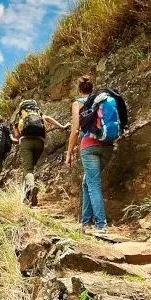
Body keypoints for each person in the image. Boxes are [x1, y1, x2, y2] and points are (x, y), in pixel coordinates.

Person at [66, 76, 114, 231]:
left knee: (93, 184)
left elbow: (75, 130)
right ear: (91, 89)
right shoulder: (101, 101)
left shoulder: (77, 103)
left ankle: (101, 225)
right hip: (107, 144)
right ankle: (86, 222)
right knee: (87, 182)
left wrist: (69, 153)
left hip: (89, 146)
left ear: (79, 89)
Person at [12, 100, 69, 206]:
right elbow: (48, 119)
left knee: (27, 169)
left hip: (26, 142)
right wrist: (62, 126)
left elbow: (16, 135)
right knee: (30, 169)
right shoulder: (38, 113)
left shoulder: (21, 116)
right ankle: (27, 197)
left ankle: (31, 187)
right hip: (40, 142)